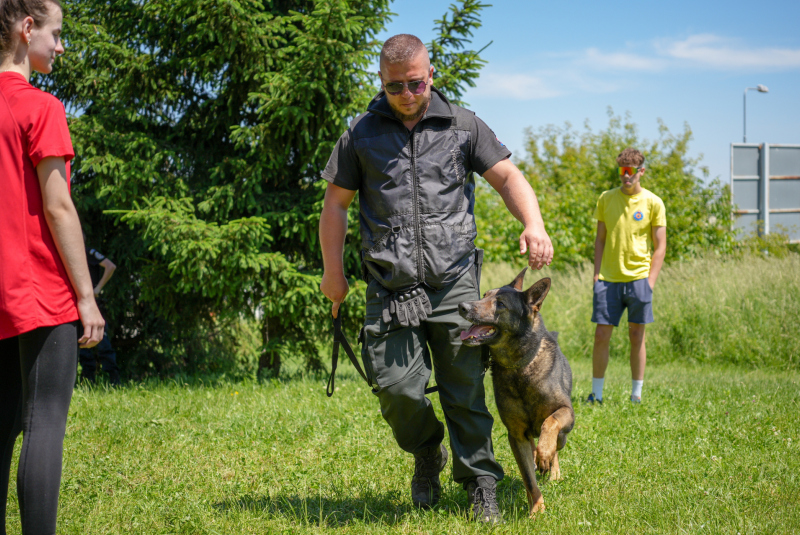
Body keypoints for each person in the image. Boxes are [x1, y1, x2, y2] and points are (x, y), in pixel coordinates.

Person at [319, 34, 553, 524]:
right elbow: (336, 205)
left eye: (415, 83)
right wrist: (334, 272)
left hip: (454, 284)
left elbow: (508, 177)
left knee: (463, 387)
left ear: (432, 75)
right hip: (389, 285)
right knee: (396, 389)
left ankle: (481, 483)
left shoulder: (462, 125)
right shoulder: (360, 134)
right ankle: (427, 453)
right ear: (381, 83)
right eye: (394, 86)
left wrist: (532, 224)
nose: (406, 94)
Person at [0, 0, 104, 533]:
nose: (60, 47)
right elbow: (58, 205)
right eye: (56, 34)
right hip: (38, 287)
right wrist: (86, 297)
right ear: (26, 29)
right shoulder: (41, 108)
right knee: (44, 424)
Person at [586, 148, 667, 405]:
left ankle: (636, 395)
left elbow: (660, 246)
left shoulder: (654, 202)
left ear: (641, 171)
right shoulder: (605, 199)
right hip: (608, 279)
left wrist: (650, 282)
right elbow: (600, 240)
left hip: (639, 279)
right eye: (622, 171)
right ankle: (596, 395)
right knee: (601, 336)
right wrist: (596, 273)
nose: (626, 176)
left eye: (631, 171)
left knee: (636, 336)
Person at [78, 244, 121, 385]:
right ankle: (88, 381)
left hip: (93, 303)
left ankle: (114, 381)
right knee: (82, 341)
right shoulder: (74, 253)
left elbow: (111, 266)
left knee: (102, 342)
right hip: (78, 303)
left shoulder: (88, 251)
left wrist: (97, 288)